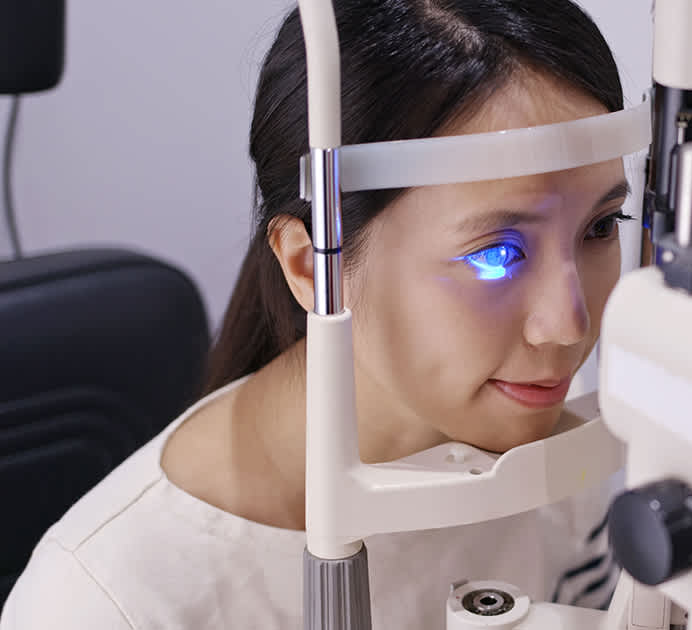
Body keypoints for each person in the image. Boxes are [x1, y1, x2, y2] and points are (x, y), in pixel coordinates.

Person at [0, 0, 637, 627]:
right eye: (497, 254)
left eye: (601, 226)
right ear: (310, 265)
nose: (568, 325)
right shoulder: (106, 603)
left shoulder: (555, 445)